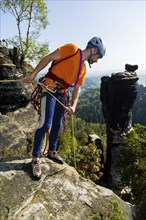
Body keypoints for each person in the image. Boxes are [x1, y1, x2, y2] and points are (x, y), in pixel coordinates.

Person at [23, 36, 106, 178]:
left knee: (57, 124)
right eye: (98, 56)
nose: (97, 60)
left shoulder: (84, 68)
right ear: (93, 50)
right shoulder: (71, 49)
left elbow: (77, 89)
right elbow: (49, 58)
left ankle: (52, 151)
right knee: (45, 124)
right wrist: (33, 74)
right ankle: (36, 159)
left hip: (62, 94)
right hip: (49, 88)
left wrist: (73, 105)